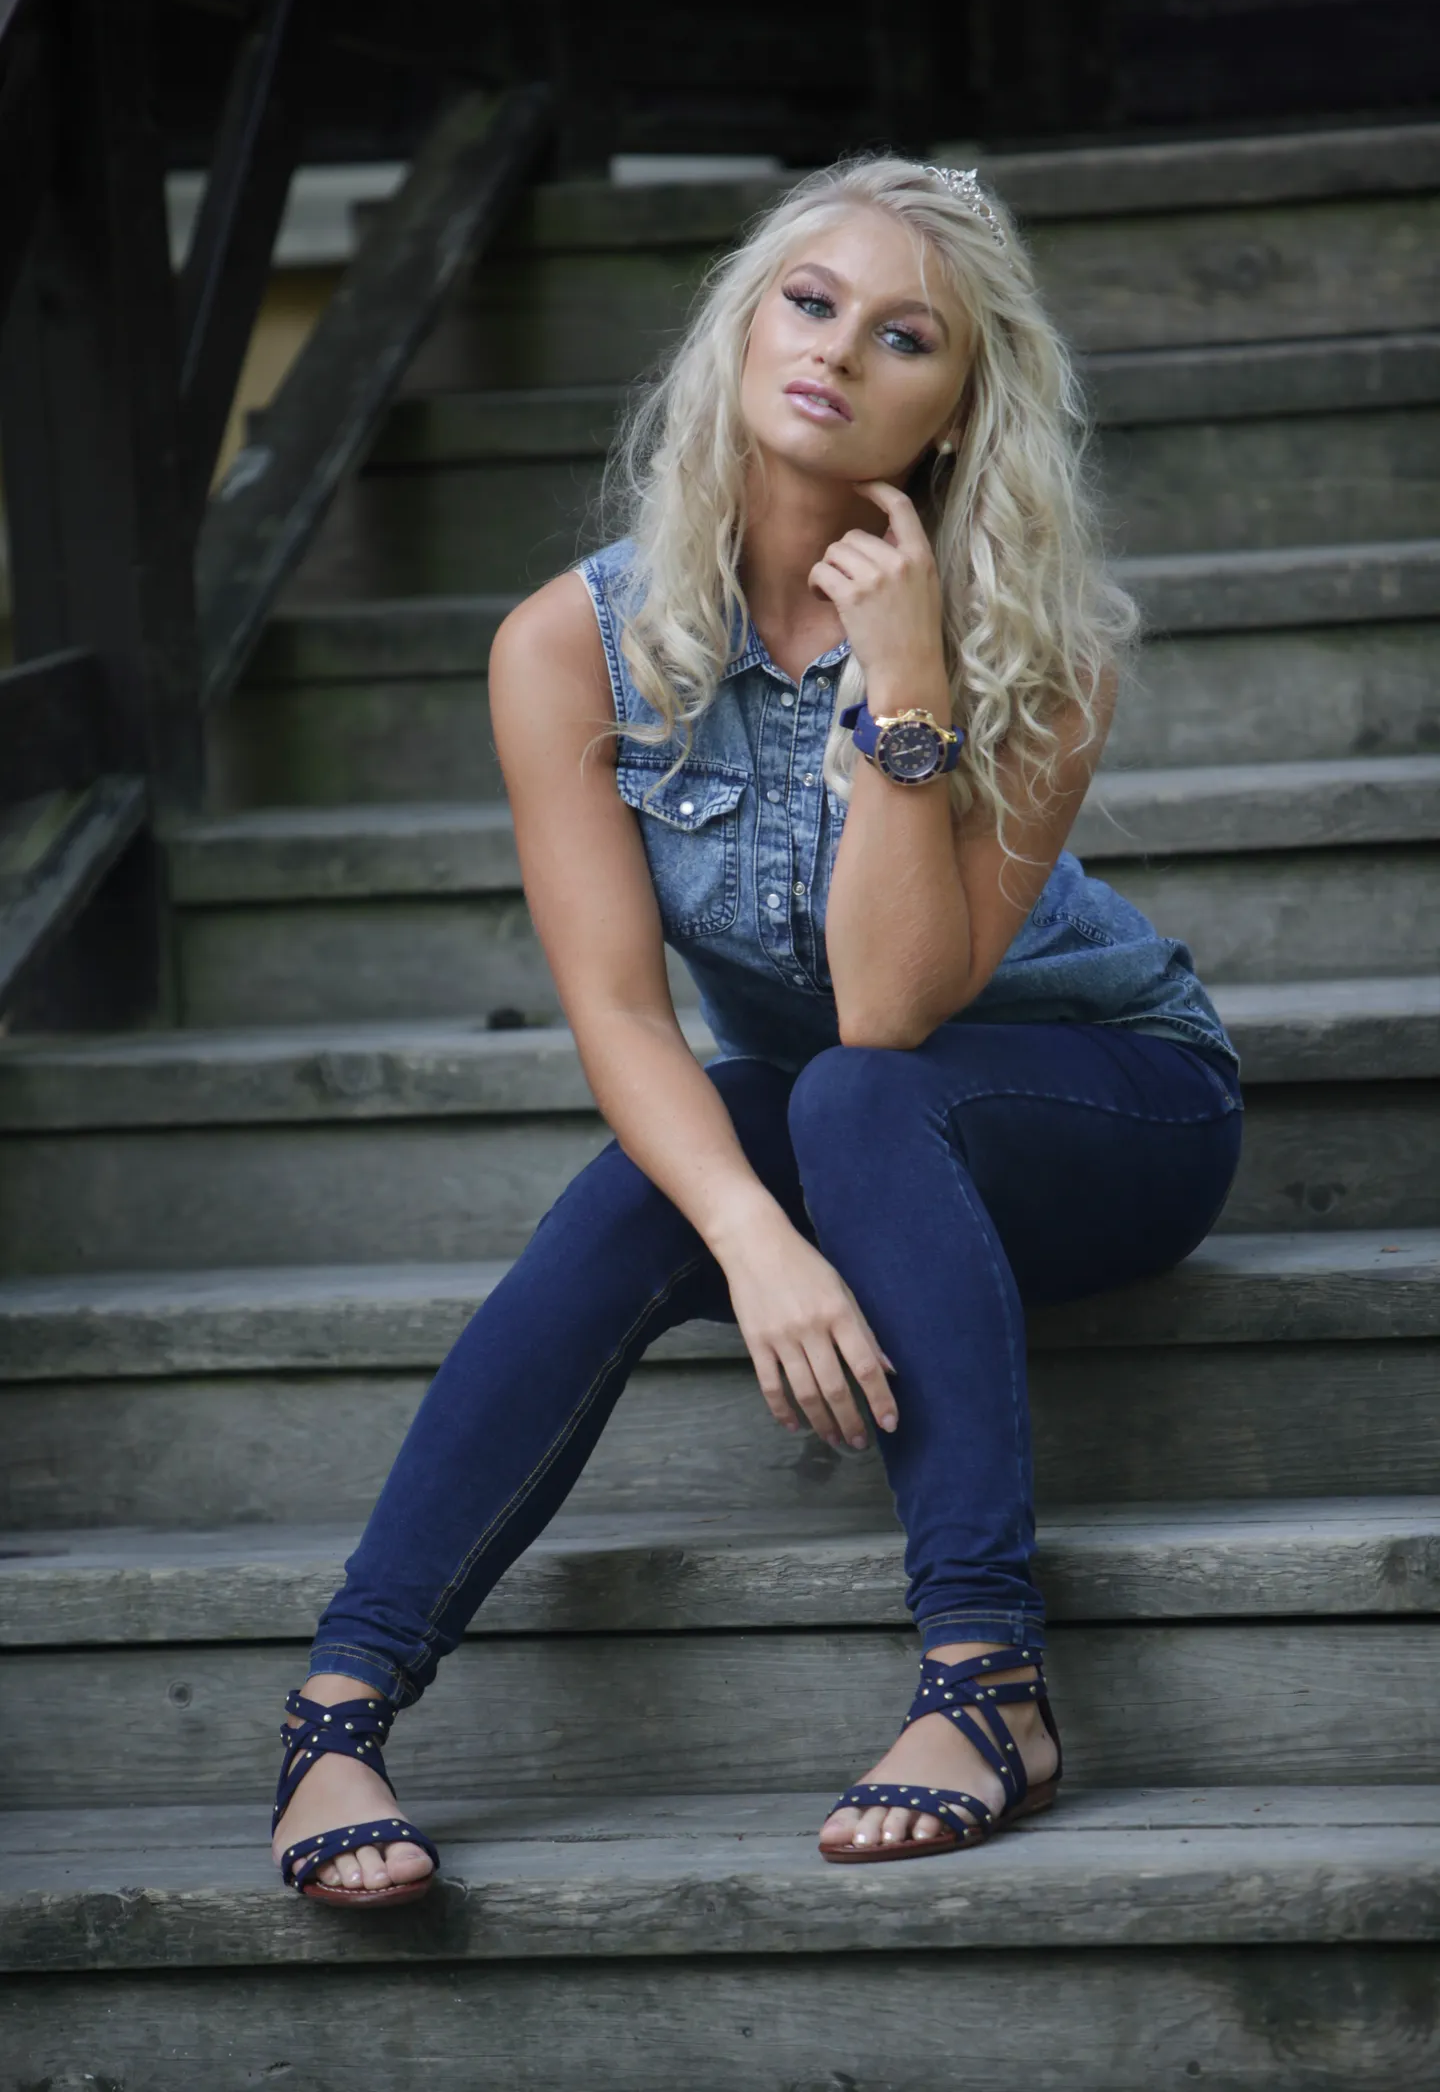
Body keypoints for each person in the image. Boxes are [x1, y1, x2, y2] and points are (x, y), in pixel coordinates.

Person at [270, 157, 1243, 1905]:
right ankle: (340, 1704)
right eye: (810, 304)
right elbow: (620, 1012)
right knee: (689, 1157)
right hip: (841, 1116)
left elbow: (889, 1009)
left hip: (1116, 1107)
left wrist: (913, 688)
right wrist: (753, 1241)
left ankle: (985, 1679)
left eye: (903, 335)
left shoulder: (1041, 648)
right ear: (741, 325)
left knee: (858, 1093)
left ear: (958, 411)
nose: (839, 353)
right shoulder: (572, 645)